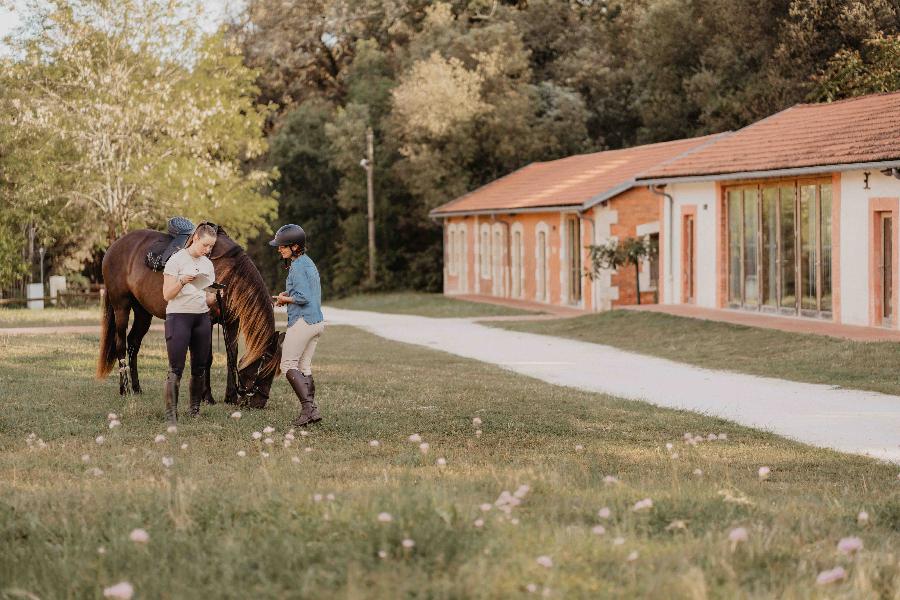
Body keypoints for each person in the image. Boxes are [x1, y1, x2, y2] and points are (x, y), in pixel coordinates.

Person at [161, 223, 218, 424]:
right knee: (176, 367)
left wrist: (215, 296)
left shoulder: (208, 265)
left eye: (211, 247)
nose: (207, 250)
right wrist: (183, 281)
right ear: (195, 238)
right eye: (205, 245)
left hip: (201, 318)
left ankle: (194, 410)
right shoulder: (175, 261)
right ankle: (171, 414)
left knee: (200, 367)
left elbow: (209, 297)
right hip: (178, 317)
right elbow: (167, 294)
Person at [270, 224, 325, 426]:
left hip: (303, 322)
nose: (279, 249)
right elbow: (305, 293)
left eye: (282, 246)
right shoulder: (307, 263)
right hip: (316, 322)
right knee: (304, 366)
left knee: (287, 365)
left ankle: (309, 409)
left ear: (295, 246)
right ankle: (311, 411)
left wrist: (285, 300)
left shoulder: (298, 266)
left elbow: (303, 297)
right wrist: (286, 296)